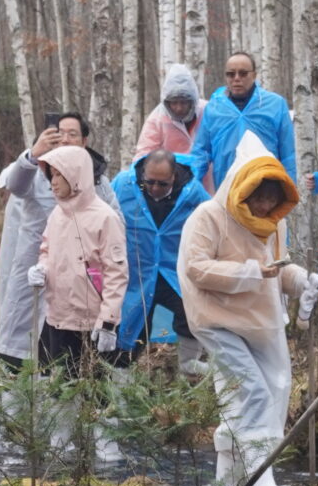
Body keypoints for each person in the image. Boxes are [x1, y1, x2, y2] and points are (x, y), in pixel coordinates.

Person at [181, 129, 318, 486]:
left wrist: (304, 280)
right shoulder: (208, 217)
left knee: (266, 394)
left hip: (261, 323)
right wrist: (249, 272)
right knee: (253, 393)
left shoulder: (274, 224)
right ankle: (262, 485)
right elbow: (196, 268)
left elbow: (277, 269)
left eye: (271, 199)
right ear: (241, 190)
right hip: (218, 321)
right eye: (257, 197)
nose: (263, 206)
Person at [0, 113, 112, 367]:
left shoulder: (97, 180)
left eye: (73, 134)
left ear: (84, 141)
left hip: (79, 282)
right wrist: (32, 154)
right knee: (22, 351)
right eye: (61, 133)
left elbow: (115, 226)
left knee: (66, 358)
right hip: (34, 274)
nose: (66, 139)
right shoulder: (37, 174)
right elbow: (15, 185)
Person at [26, 141, 129, 373]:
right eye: (51, 175)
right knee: (59, 385)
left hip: (91, 323)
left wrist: (108, 322)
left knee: (91, 388)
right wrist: (41, 269)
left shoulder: (105, 218)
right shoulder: (57, 214)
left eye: (58, 175)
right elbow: (47, 251)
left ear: (75, 175)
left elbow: (116, 273)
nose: (53, 182)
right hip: (58, 317)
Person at [110, 150, 208, 368]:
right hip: (136, 274)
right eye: (149, 182)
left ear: (174, 177)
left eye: (162, 184)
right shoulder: (124, 185)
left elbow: (213, 222)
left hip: (172, 272)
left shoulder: (192, 192)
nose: (154, 188)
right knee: (131, 324)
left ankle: (189, 367)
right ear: (143, 174)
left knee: (192, 312)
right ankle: (121, 377)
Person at [189, 51, 298, 190]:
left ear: (254, 75)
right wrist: (189, 187)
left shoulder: (275, 104)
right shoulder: (214, 108)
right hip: (227, 188)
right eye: (231, 74)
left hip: (266, 189)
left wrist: (290, 188)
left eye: (243, 73)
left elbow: (288, 153)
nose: (236, 78)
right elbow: (201, 153)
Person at [135, 64, 204, 157]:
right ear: (167, 102)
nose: (179, 108)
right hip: (172, 165)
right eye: (174, 103)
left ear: (192, 102)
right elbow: (144, 153)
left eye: (183, 103)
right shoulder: (157, 120)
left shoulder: (206, 112)